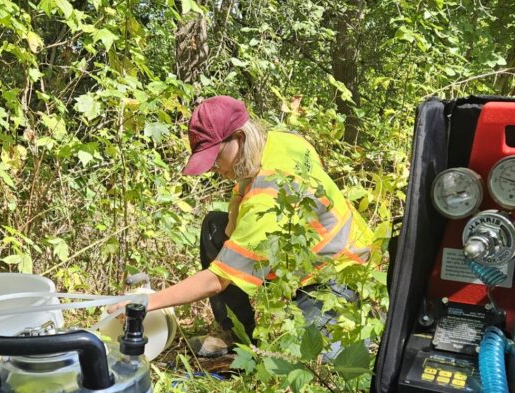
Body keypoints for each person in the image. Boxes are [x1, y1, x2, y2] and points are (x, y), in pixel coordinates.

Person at [121, 95, 373, 357]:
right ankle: (234, 332)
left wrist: (147, 302)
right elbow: (230, 231)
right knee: (214, 227)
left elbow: (217, 279)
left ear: (239, 138)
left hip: (338, 277)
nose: (214, 168)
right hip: (299, 262)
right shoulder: (279, 140)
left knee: (307, 366)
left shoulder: (268, 194)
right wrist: (239, 195)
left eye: (216, 157)